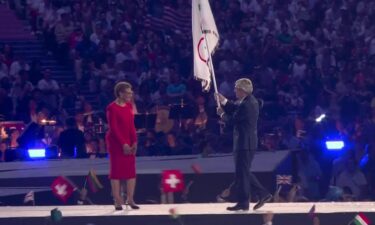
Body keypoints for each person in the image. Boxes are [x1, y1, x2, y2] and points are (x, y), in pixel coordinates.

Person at [215, 78, 272, 211]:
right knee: (242, 173)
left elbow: (233, 120)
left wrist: (222, 114)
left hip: (245, 143)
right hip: (245, 142)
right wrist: (224, 101)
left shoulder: (247, 104)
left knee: (243, 172)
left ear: (242, 90)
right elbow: (235, 108)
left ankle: (259, 195)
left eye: (236, 88)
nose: (234, 91)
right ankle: (246, 201)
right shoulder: (247, 102)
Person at [105, 81, 139, 210]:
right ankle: (117, 200)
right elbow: (114, 128)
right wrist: (123, 143)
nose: (131, 95)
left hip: (129, 141)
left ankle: (130, 199)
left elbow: (131, 125)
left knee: (130, 172)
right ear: (120, 93)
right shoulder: (111, 108)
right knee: (117, 172)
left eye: (131, 92)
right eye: (128, 92)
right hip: (116, 143)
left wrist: (134, 142)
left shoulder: (129, 106)